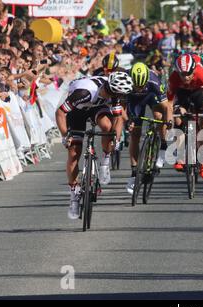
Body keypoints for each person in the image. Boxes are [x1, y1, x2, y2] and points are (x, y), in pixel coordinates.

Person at [55, 72, 133, 219]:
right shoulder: (84, 93)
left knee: (107, 126)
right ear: (109, 88)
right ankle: (73, 195)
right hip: (77, 111)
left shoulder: (115, 94)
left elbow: (118, 118)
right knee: (74, 153)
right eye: (115, 94)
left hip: (97, 107)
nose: (117, 98)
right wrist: (65, 135)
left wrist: (115, 139)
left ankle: (105, 161)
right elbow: (60, 113)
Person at [167, 53, 203, 179]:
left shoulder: (201, 73)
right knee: (178, 119)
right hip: (182, 93)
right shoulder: (174, 77)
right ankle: (180, 155)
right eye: (182, 75)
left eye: (188, 74)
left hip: (199, 92)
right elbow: (168, 102)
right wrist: (169, 119)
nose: (185, 78)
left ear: (193, 70)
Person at [125, 62, 173, 194]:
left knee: (159, 115)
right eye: (136, 85)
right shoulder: (125, 78)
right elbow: (121, 104)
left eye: (142, 85)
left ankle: (163, 145)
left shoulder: (154, 81)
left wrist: (168, 122)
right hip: (133, 101)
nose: (139, 88)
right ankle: (134, 173)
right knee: (135, 134)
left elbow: (167, 107)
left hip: (151, 96)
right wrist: (127, 121)